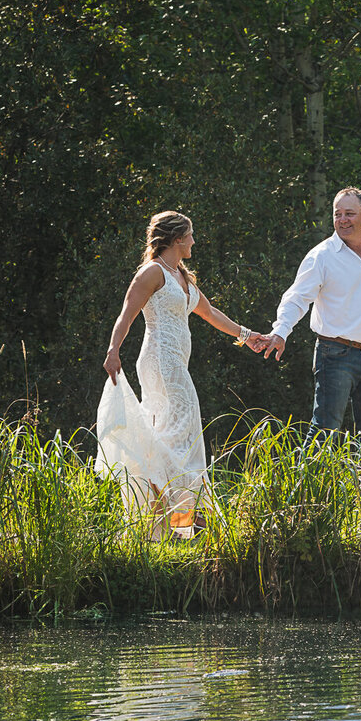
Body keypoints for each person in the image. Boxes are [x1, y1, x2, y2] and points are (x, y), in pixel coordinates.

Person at [99, 211, 264, 537]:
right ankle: (182, 523)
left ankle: (173, 524)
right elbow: (127, 313)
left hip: (176, 363)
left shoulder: (181, 276)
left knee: (175, 440)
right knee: (182, 439)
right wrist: (113, 350)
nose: (193, 241)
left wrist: (247, 335)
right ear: (176, 239)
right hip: (160, 363)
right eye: (189, 235)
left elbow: (209, 312)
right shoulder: (152, 273)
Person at [256, 187, 361, 458]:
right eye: (338, 215)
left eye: (350, 214)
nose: (343, 220)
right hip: (335, 355)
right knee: (325, 432)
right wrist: (280, 332)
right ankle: (305, 494)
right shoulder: (322, 255)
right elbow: (297, 298)